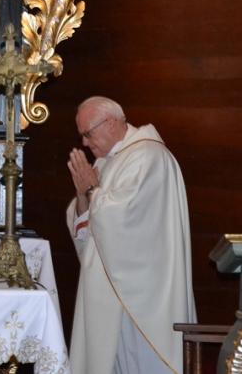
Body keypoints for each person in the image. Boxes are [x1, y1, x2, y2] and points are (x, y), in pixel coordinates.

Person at [66, 96, 196, 374]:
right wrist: (82, 195)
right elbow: (88, 230)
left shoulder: (149, 156)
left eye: (88, 134)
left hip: (141, 295)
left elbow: (124, 220)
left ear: (111, 123)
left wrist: (91, 190)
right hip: (108, 292)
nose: (85, 143)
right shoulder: (106, 162)